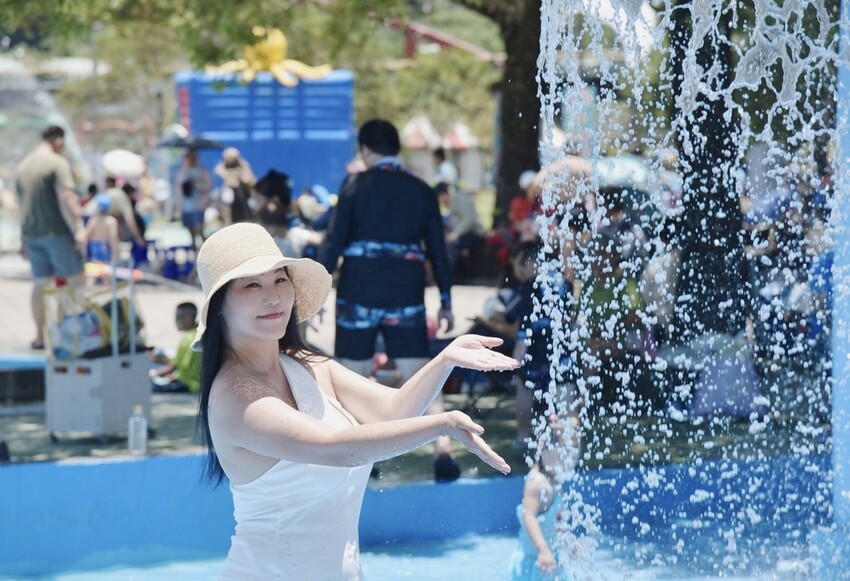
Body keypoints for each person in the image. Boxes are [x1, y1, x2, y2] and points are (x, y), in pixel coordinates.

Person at [193, 223, 517, 580]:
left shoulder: (306, 365)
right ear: (219, 304)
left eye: (280, 279)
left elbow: (393, 412)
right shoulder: (234, 396)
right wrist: (441, 425)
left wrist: (445, 360)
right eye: (252, 285)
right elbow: (337, 449)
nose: (273, 296)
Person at [318, 119, 460, 480]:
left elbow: (333, 241)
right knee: (420, 373)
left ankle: (367, 458)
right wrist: (445, 299)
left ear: (366, 149)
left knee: (355, 377)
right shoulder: (421, 190)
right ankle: (443, 449)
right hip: (405, 292)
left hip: (359, 291)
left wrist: (315, 292)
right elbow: (438, 250)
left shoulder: (354, 186)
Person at [16, 125, 86, 350]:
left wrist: (23, 238)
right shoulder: (57, 162)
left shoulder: (23, 165)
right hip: (58, 232)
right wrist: (79, 228)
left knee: (40, 284)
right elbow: (67, 197)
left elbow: (21, 206)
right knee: (74, 282)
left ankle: (40, 337)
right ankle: (68, 336)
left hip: (32, 235)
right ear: (59, 141)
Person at [509, 415, 580, 580]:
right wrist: (543, 550)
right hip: (536, 562)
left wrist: (568, 542)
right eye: (565, 452)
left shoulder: (554, 479)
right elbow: (529, 517)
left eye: (574, 451)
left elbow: (556, 520)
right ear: (543, 450)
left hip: (551, 561)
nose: (570, 458)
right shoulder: (537, 482)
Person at [148, 302, 202, 393]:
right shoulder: (198, 334)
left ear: (188, 318)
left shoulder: (188, 339)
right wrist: (160, 359)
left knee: (151, 388)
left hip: (189, 385)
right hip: (195, 383)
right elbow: (182, 363)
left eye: (178, 317)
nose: (175, 321)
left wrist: (153, 374)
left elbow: (173, 367)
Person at [174, 149, 212, 251]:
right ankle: (194, 250)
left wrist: (195, 184)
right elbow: (179, 188)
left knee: (199, 229)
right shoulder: (183, 172)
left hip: (199, 205)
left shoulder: (202, 171)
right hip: (186, 207)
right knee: (191, 231)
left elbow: (207, 187)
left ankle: (206, 250)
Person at [214, 147, 256, 225]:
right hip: (229, 196)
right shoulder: (222, 166)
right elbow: (221, 173)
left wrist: (242, 178)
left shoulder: (243, 165)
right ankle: (227, 221)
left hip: (243, 196)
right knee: (227, 196)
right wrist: (231, 178)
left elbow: (250, 180)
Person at [83, 193, 120, 264]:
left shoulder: (93, 220)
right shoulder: (111, 221)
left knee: (95, 267)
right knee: (106, 267)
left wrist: (85, 252)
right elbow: (113, 237)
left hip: (95, 246)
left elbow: (87, 235)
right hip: (105, 246)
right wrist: (115, 253)